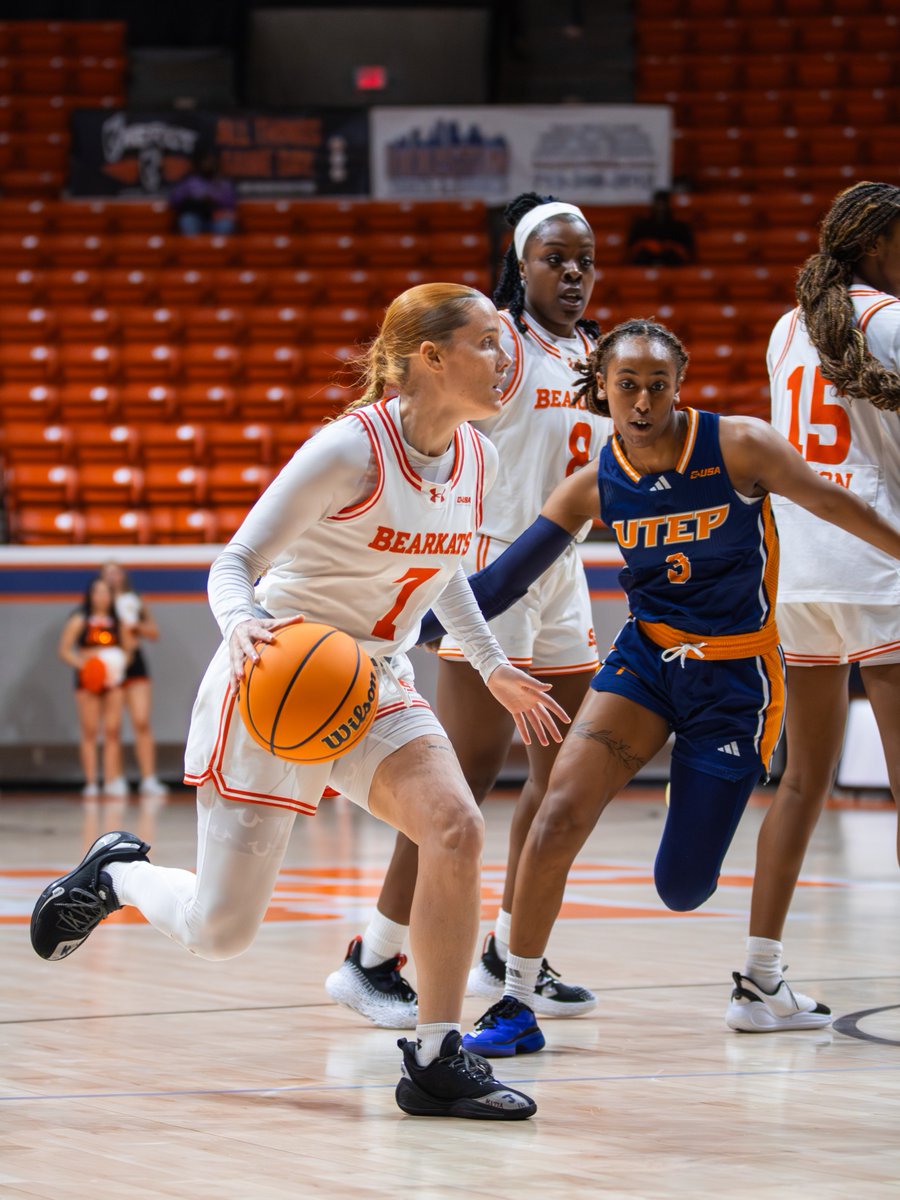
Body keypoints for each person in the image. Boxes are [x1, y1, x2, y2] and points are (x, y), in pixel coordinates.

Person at [30, 283, 571, 1122]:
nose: (507, 360)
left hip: (375, 680)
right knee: (220, 931)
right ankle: (120, 874)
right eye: (488, 344)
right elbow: (234, 564)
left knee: (455, 827)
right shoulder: (348, 450)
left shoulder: (479, 458)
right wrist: (243, 625)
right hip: (281, 675)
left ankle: (435, 1059)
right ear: (432, 357)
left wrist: (491, 663)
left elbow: (448, 570)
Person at [436, 317, 900, 1057]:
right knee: (559, 812)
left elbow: (832, 503)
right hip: (646, 661)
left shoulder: (740, 446)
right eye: (628, 385)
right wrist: (390, 615)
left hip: (735, 676)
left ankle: (763, 982)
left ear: (679, 387)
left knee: (683, 887)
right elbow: (500, 583)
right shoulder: (593, 485)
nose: (644, 400)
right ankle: (514, 1000)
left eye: (659, 385)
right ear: (603, 389)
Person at [325, 193, 612, 1029]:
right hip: (489, 565)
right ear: (520, 267)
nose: (573, 273)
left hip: (563, 569)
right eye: (555, 259)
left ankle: (513, 953)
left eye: (585, 260)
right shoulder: (503, 345)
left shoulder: (593, 352)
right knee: (461, 784)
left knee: (563, 776)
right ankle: (375, 956)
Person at [725, 180, 900, 1032]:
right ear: (875, 244)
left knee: (801, 781)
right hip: (881, 562)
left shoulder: (786, 328)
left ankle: (759, 981)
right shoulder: (890, 320)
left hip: (800, 573)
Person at [58, 576, 135, 799]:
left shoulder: (118, 622)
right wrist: (87, 666)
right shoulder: (79, 619)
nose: (102, 597)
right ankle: (91, 782)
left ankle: (111, 780)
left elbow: (129, 650)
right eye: (97, 592)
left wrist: (116, 665)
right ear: (90, 595)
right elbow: (64, 650)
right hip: (89, 681)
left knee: (113, 730)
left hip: (113, 681)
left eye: (106, 592)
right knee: (89, 730)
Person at [99, 561, 169, 799]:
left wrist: (135, 625)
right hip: (112, 662)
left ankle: (149, 779)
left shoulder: (135, 600)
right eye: (108, 573)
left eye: (116, 572)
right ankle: (114, 779)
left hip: (135, 663)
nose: (113, 577)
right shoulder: (100, 603)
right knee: (112, 726)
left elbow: (153, 632)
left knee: (141, 721)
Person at [169, 148, 238, 235]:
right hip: (195, 216)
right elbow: (174, 201)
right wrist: (193, 197)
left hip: (216, 217)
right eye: (205, 160)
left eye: (210, 160)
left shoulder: (223, 182)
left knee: (226, 225)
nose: (208, 163)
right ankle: (194, 244)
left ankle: (217, 244)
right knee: (187, 221)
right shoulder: (190, 180)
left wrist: (214, 198)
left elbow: (231, 204)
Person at [626, 189, 694, 267]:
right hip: (645, 263)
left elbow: (687, 254)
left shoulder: (680, 227)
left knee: (672, 256)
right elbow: (630, 251)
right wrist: (646, 244)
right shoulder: (641, 226)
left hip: (672, 265)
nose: (661, 207)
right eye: (658, 204)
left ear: (669, 205)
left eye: (663, 204)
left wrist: (670, 246)